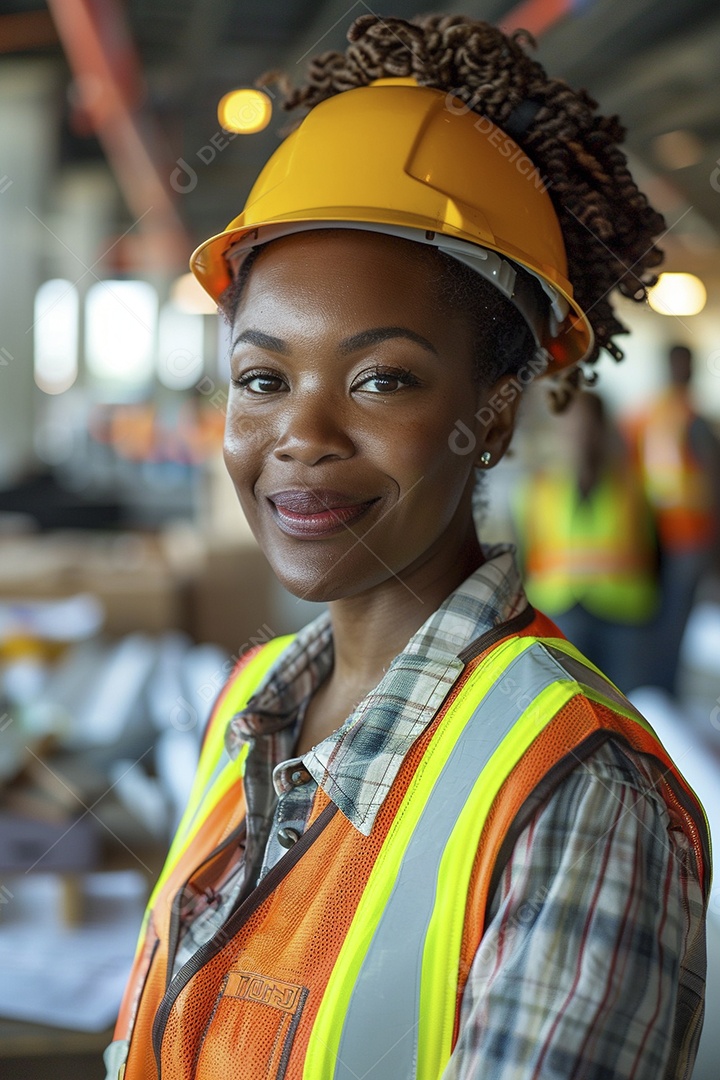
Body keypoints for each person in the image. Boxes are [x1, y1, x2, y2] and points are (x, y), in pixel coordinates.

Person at [105, 15, 711, 1080]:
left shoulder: (576, 793)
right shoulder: (250, 707)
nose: (301, 434)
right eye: (262, 379)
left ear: (497, 413)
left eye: (382, 378)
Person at [515, 391, 659, 692]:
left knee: (628, 703)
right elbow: (523, 558)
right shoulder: (538, 491)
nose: (579, 434)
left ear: (603, 430)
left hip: (623, 614)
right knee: (570, 703)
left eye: (587, 425)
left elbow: (657, 556)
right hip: (559, 610)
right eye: (571, 425)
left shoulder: (632, 488)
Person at [625, 344, 720, 693]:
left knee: (661, 618)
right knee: (673, 620)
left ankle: (654, 689)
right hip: (683, 537)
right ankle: (662, 689)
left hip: (659, 535)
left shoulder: (643, 417)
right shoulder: (692, 420)